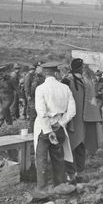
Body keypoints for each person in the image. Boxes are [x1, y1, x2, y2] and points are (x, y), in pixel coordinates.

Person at [34, 62, 76, 190]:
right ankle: (60, 186)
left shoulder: (40, 89)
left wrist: (48, 130)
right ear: (56, 73)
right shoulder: (65, 88)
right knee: (58, 158)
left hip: (44, 128)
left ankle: (42, 188)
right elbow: (72, 111)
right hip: (59, 126)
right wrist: (61, 123)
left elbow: (41, 112)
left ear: (44, 73)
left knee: (41, 159)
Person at [62, 58, 103, 183]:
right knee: (80, 146)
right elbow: (93, 102)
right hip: (85, 120)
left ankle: (71, 175)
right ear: (81, 68)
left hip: (71, 120)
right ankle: (79, 173)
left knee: (69, 147)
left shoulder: (66, 81)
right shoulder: (88, 82)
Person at [27, 63, 45, 132]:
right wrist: (28, 96)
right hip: (33, 98)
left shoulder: (42, 77)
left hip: (40, 98)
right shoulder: (32, 76)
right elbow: (28, 87)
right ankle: (32, 131)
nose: (40, 69)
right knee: (33, 115)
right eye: (39, 67)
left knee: (40, 114)